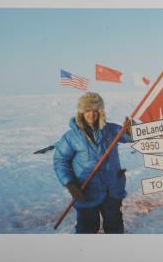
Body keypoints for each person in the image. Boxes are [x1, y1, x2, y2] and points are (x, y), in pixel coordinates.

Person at [53, 92, 132, 234]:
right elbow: (60, 161)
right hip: (86, 191)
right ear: (81, 112)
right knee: (87, 230)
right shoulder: (71, 137)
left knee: (115, 227)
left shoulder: (110, 129)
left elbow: (128, 137)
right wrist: (70, 183)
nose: (92, 114)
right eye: (88, 110)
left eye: (96, 110)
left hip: (111, 189)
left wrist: (131, 130)